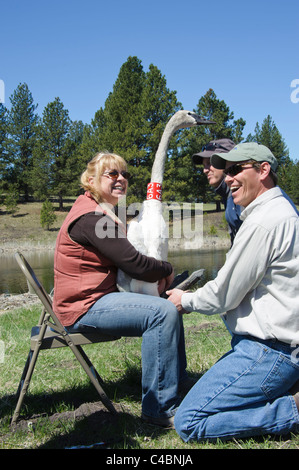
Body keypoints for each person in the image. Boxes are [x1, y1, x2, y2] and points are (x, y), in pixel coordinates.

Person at [167, 142, 299, 441]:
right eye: (226, 171)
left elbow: (224, 293)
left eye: (236, 169)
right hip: (278, 348)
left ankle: (293, 410)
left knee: (189, 422)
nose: (228, 178)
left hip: (269, 351)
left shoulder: (263, 222)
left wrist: (184, 300)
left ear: (263, 170)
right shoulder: (280, 211)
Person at [53, 151, 189, 428]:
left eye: (125, 174)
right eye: (112, 174)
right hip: (84, 307)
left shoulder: (103, 211)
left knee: (168, 304)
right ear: (90, 180)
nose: (121, 179)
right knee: (162, 312)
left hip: (96, 298)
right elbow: (136, 264)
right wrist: (167, 269)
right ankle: (158, 409)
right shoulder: (92, 218)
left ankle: (178, 387)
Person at [193, 138, 242, 244]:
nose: (205, 170)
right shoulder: (229, 195)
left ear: (228, 161)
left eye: (209, 163)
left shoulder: (242, 197)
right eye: (204, 165)